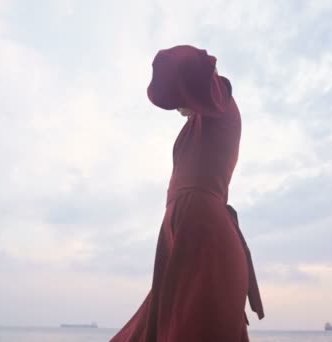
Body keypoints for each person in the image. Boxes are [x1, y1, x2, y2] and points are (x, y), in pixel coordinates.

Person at [110, 45, 264, 342]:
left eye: (178, 98)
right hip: (183, 230)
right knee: (160, 327)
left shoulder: (219, 102)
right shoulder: (199, 120)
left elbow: (187, 63)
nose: (178, 108)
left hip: (203, 230)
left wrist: (191, 80)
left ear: (193, 85)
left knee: (191, 327)